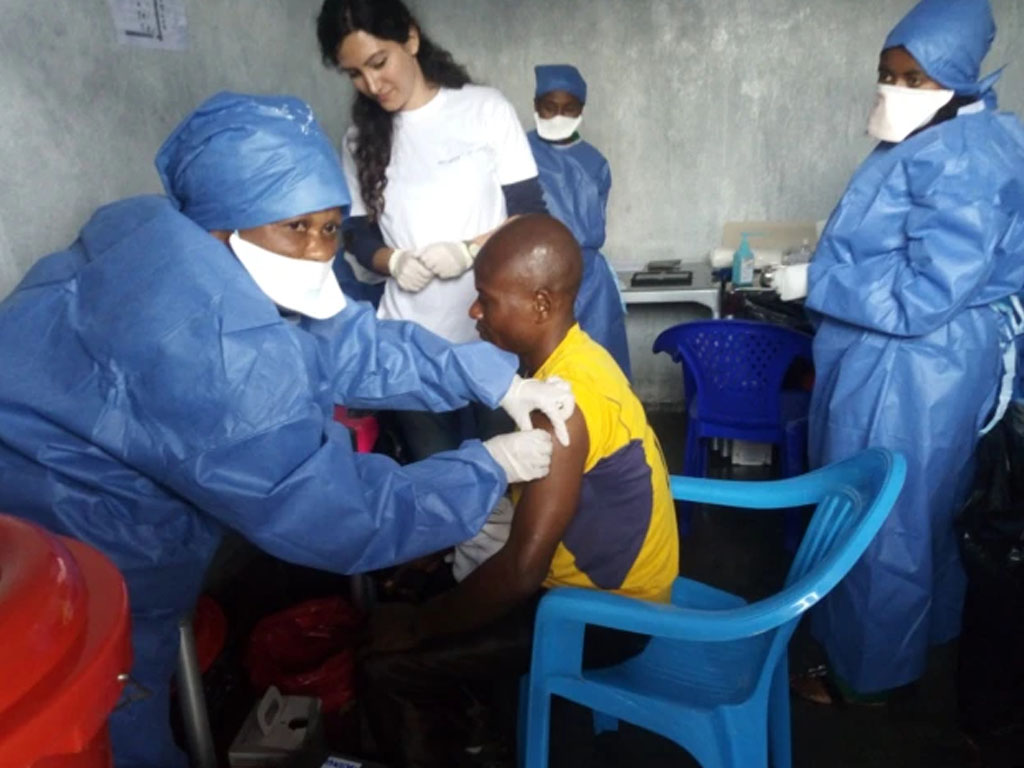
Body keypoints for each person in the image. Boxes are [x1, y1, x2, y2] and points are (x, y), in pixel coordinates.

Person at [0, 92, 577, 768]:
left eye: (332, 228)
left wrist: (490, 377)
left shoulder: (158, 229)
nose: (317, 250)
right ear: (223, 226)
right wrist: (487, 467)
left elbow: (347, 344)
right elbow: (333, 510)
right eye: (297, 227)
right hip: (62, 538)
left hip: (59, 483)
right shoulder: (216, 348)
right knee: (93, 719)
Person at [358, 214, 679, 768]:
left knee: (386, 664)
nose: (474, 312)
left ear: (540, 304)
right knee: (426, 590)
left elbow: (521, 573)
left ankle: (464, 739)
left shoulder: (564, 404)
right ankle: (482, 720)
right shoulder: (582, 355)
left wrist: (416, 626)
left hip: (605, 617)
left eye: (486, 298)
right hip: (599, 587)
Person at [801, 0, 1024, 704]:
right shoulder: (942, 136)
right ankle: (924, 640)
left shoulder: (963, 155)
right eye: (886, 73)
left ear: (958, 77)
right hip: (918, 360)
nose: (894, 89)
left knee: (883, 519)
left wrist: (822, 279)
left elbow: (923, 297)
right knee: (924, 508)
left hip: (912, 364)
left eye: (915, 77)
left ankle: (866, 678)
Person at [317, 0, 549, 460]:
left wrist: (469, 251)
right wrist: (394, 261)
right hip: (409, 343)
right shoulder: (360, 139)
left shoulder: (484, 111)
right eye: (355, 74)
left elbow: (530, 216)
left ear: (411, 38)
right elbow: (358, 234)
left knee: (508, 469)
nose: (372, 84)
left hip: (491, 334)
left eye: (378, 63)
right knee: (435, 474)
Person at [527, 64, 631, 378]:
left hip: (590, 282)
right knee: (541, 373)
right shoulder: (517, 153)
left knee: (597, 373)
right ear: (536, 106)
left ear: (581, 111)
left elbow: (592, 224)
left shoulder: (595, 162)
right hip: (535, 276)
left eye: (568, 109)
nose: (558, 116)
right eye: (549, 107)